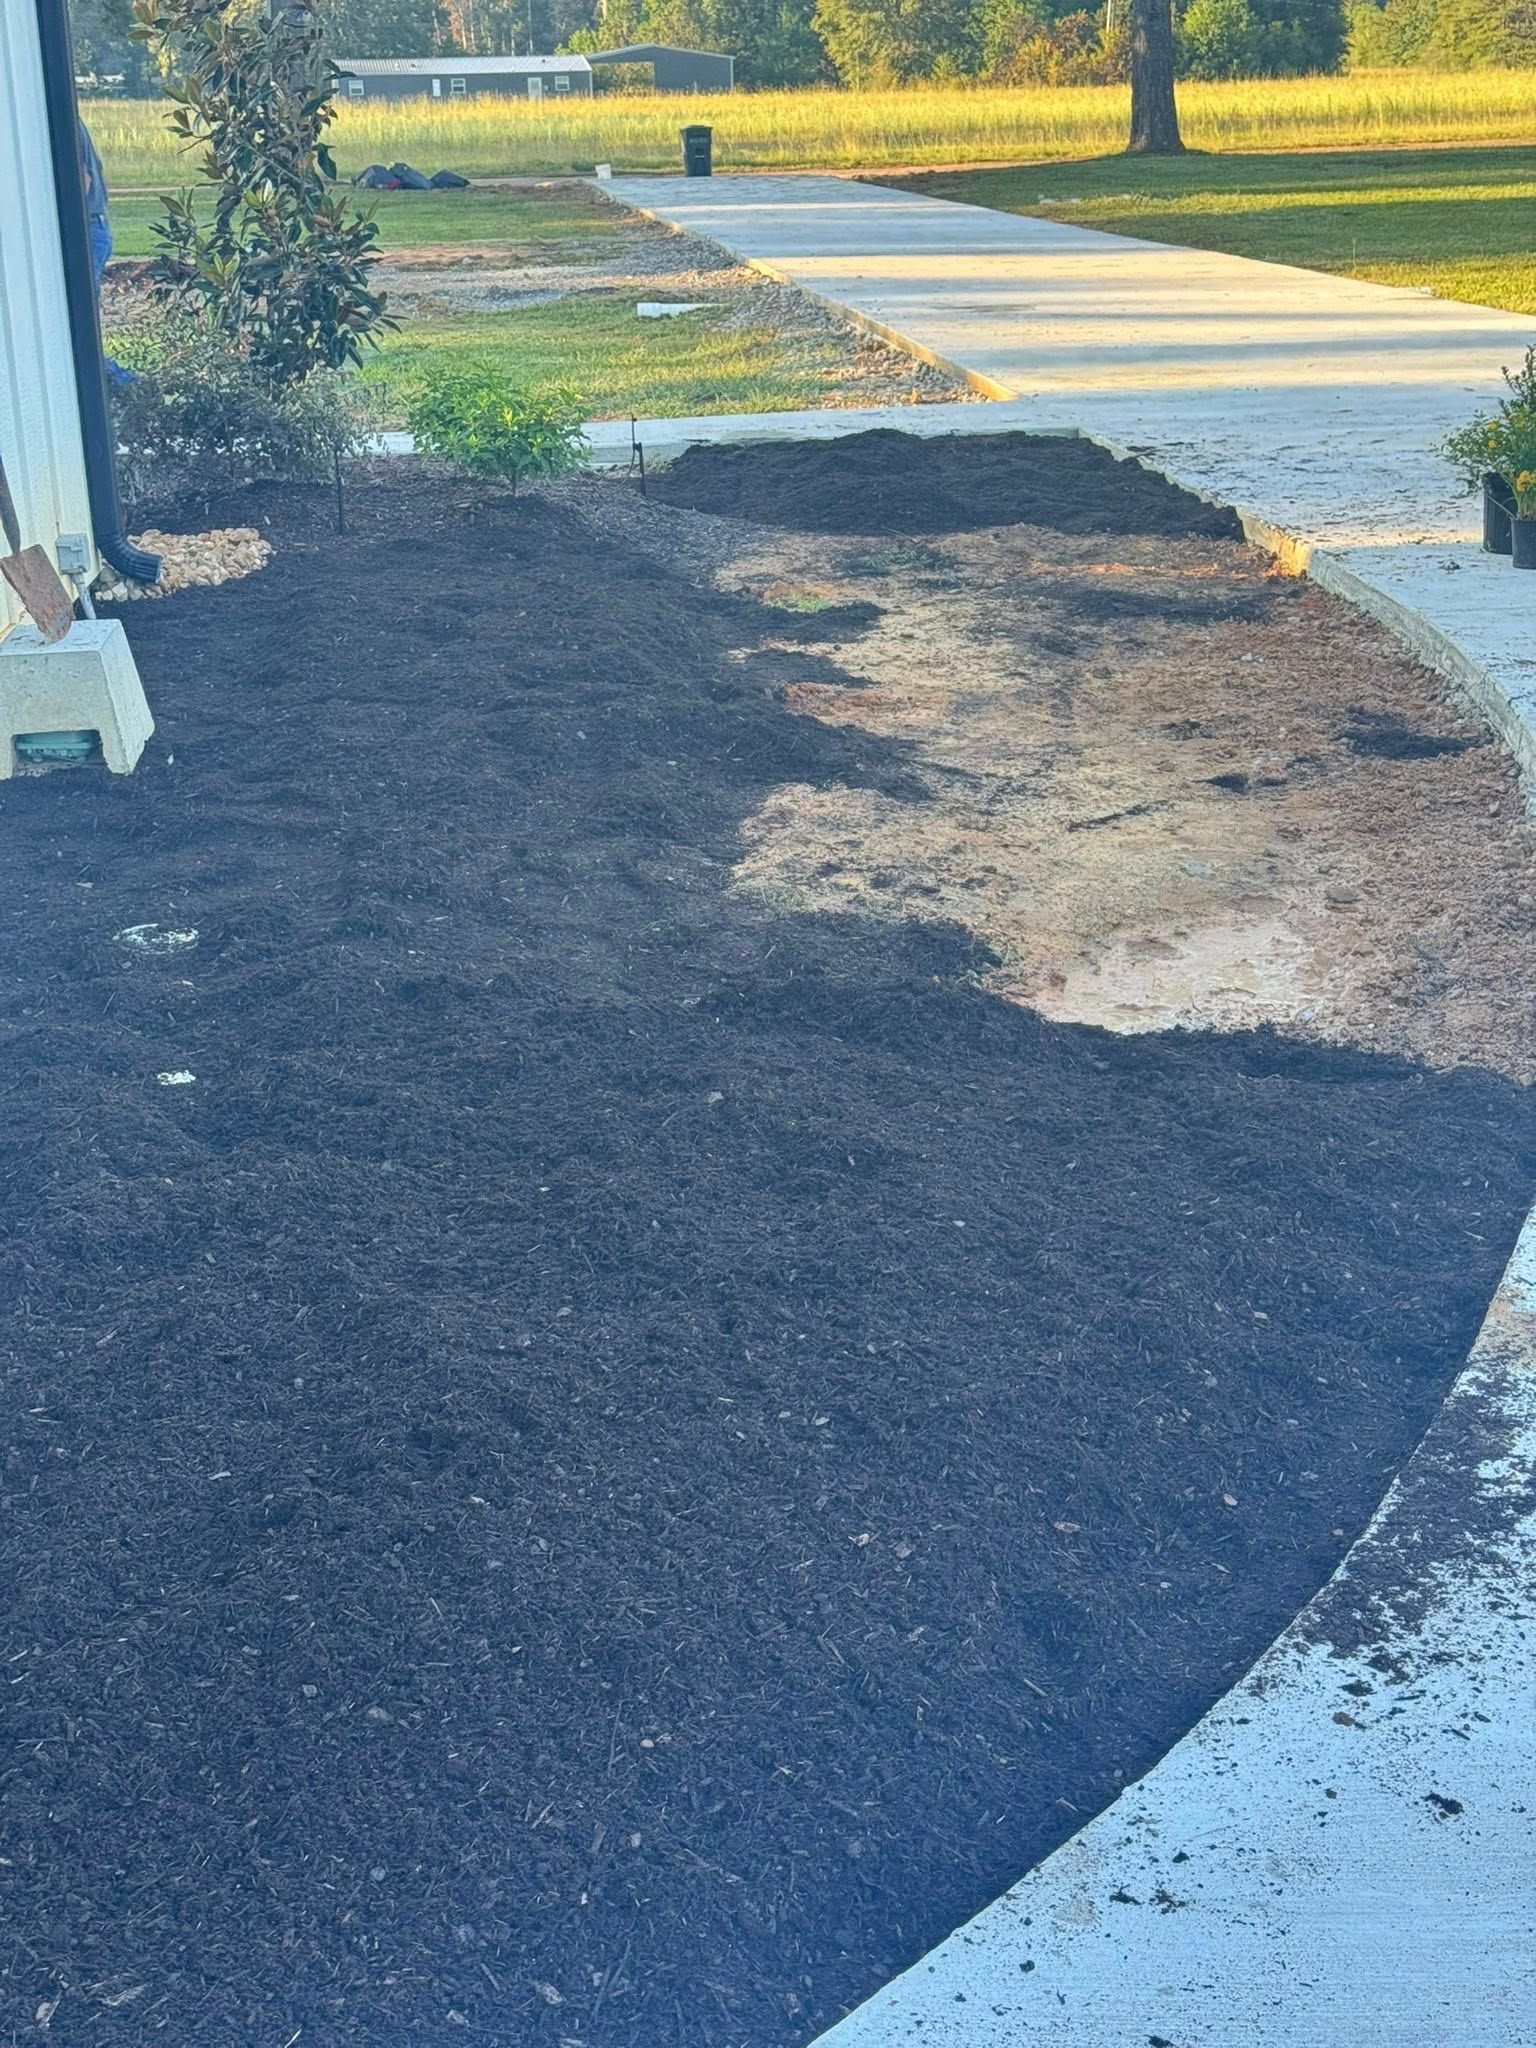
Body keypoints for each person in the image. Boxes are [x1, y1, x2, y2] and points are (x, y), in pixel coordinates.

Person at [78, 118, 133, 384]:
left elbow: (82, 180)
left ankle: (119, 382)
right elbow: (97, 173)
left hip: (84, 229)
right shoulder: (74, 122)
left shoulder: (60, 122)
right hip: (97, 224)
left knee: (79, 318)